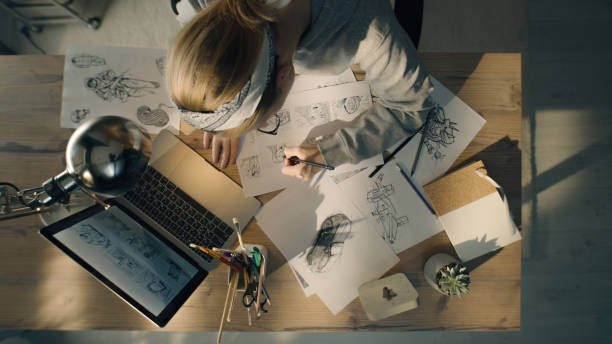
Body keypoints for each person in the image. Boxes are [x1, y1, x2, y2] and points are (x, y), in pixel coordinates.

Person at [167, 0, 434, 181]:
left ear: (283, 75)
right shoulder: (200, 6)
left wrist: (330, 151)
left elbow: (410, 106)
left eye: (264, 121)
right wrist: (224, 110)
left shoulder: (367, 30)